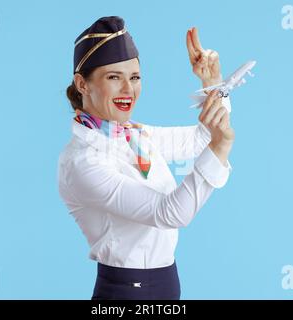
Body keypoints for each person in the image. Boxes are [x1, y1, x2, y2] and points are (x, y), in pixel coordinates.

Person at [57, 16, 235, 300]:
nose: (129, 89)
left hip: (167, 282)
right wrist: (221, 147)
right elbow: (170, 213)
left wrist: (213, 83)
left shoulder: (129, 135)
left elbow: (201, 139)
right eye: (114, 77)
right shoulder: (83, 162)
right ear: (82, 84)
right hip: (127, 291)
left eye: (135, 77)